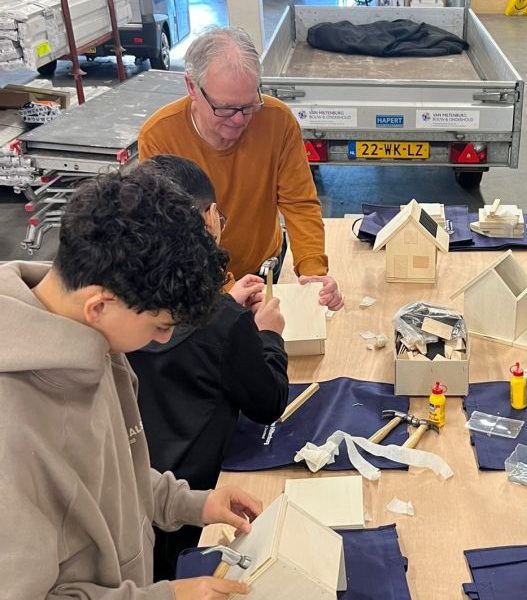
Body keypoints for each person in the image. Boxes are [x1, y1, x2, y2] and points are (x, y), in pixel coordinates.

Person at [0, 165, 259, 599]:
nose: (162, 339)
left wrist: (190, 503)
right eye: (160, 325)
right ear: (99, 305)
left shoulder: (92, 342)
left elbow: (116, 470)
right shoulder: (14, 428)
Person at [127, 155, 290, 581]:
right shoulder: (216, 322)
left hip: (150, 500)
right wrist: (267, 335)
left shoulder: (127, 314)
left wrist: (226, 308)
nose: (162, 335)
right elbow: (267, 402)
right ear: (209, 218)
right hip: (186, 506)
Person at [138, 26, 344, 311]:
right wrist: (226, 293)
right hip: (200, 282)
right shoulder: (159, 137)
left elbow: (299, 203)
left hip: (265, 269)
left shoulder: (277, 121)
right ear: (191, 88)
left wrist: (312, 273)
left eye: (248, 106)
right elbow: (170, 237)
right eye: (225, 109)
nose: (239, 120)